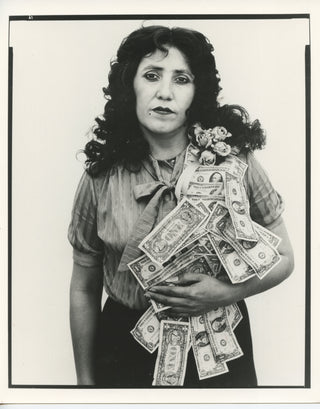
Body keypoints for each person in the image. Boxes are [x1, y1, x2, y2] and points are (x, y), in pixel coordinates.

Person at [68, 25, 294, 387]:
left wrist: (226, 293)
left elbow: (284, 257)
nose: (164, 93)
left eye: (182, 79)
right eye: (152, 75)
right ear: (130, 85)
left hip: (219, 348)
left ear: (197, 91)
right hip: (124, 348)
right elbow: (83, 287)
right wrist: (84, 384)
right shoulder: (100, 178)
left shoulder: (235, 162)